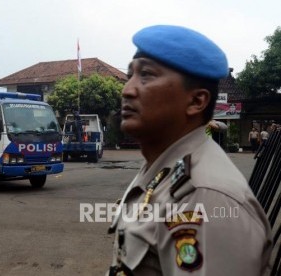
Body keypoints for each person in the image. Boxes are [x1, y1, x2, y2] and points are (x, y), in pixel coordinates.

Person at [108, 25, 272, 275]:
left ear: (197, 101)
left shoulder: (207, 196)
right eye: (130, 75)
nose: (127, 89)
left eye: (147, 75)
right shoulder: (162, 166)